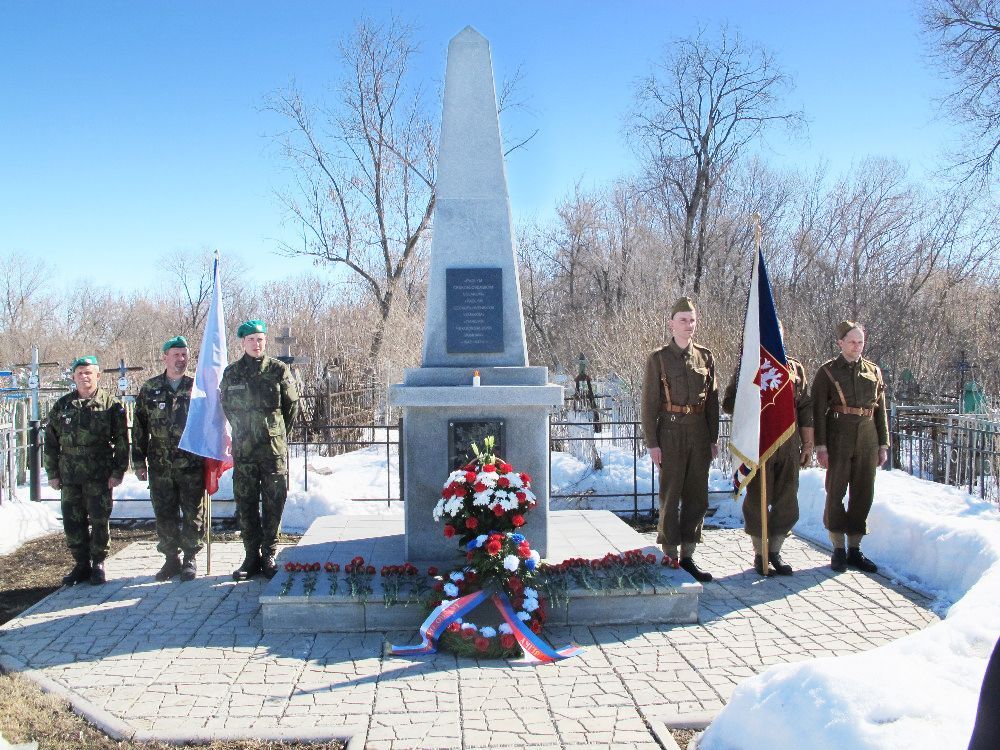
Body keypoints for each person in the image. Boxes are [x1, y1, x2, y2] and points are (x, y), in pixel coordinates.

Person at [722, 329, 814, 576]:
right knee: (757, 500)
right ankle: (760, 553)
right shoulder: (748, 365)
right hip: (759, 444)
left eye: (777, 333)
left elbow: (805, 407)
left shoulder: (795, 368)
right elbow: (729, 404)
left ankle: (775, 551)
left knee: (787, 499)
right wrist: (749, 392)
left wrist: (807, 444)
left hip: (788, 444)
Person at [641, 296, 720, 583]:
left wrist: (713, 438)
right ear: (672, 323)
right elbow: (649, 403)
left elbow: (712, 402)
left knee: (697, 495)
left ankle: (688, 555)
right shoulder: (659, 358)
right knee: (671, 494)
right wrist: (652, 443)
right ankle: (670, 553)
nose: (689, 325)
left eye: (692, 320)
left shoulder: (706, 357)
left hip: (699, 432)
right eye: (683, 320)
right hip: (671, 432)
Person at [220, 320, 299, 580]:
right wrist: (244, 432)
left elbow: (291, 408)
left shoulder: (278, 370)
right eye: (251, 339)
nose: (257, 344)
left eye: (261, 339)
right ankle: (251, 555)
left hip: (272, 451)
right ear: (242, 342)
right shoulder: (232, 373)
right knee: (246, 502)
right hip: (245, 452)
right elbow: (228, 408)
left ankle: (269, 553)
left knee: (275, 501)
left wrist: (276, 433)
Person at [44, 356, 128, 586]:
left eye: (89, 372)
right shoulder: (62, 406)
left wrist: (118, 471)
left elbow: (122, 441)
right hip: (70, 473)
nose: (84, 376)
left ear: (98, 375)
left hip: (99, 473)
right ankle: (81, 564)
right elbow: (51, 441)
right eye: (80, 372)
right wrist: (52, 472)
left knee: (100, 519)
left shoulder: (111, 405)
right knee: (73, 520)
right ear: (73, 376)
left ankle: (98, 563)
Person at [812, 321, 889, 573]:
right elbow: (817, 412)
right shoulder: (828, 372)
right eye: (852, 341)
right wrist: (821, 446)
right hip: (839, 434)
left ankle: (855, 548)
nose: (857, 346)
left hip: (867, 436)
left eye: (860, 342)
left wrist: (883, 444)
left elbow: (881, 411)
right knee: (836, 491)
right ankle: (837, 548)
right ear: (840, 343)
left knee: (863, 491)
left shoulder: (873, 371)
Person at [132, 336, 205, 582]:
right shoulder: (149, 388)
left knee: (192, 513)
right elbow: (139, 427)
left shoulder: (198, 386)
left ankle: (190, 559)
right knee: (164, 514)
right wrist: (139, 461)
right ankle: (171, 559)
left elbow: (210, 423)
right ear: (165, 357)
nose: (181, 359)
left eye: (184, 355)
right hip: (160, 464)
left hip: (191, 464)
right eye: (176, 355)